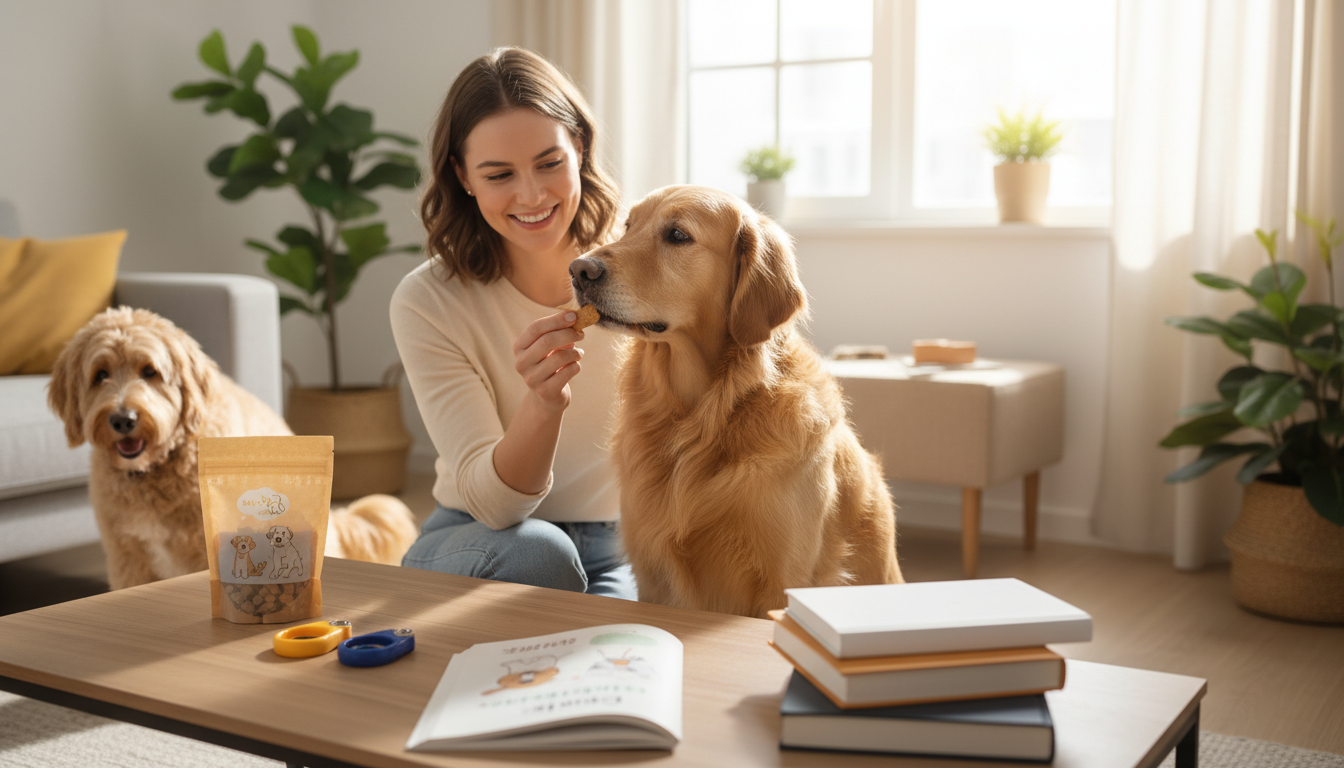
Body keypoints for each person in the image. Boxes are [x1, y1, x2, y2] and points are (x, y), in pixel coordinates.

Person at [389, 48, 632, 598]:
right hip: (483, 539)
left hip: (620, 543)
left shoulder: (640, 261)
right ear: (463, 177)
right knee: (541, 556)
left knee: (621, 653)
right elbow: (495, 504)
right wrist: (543, 404)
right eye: (499, 174)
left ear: (581, 147)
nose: (532, 195)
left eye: (550, 163)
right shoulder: (427, 301)